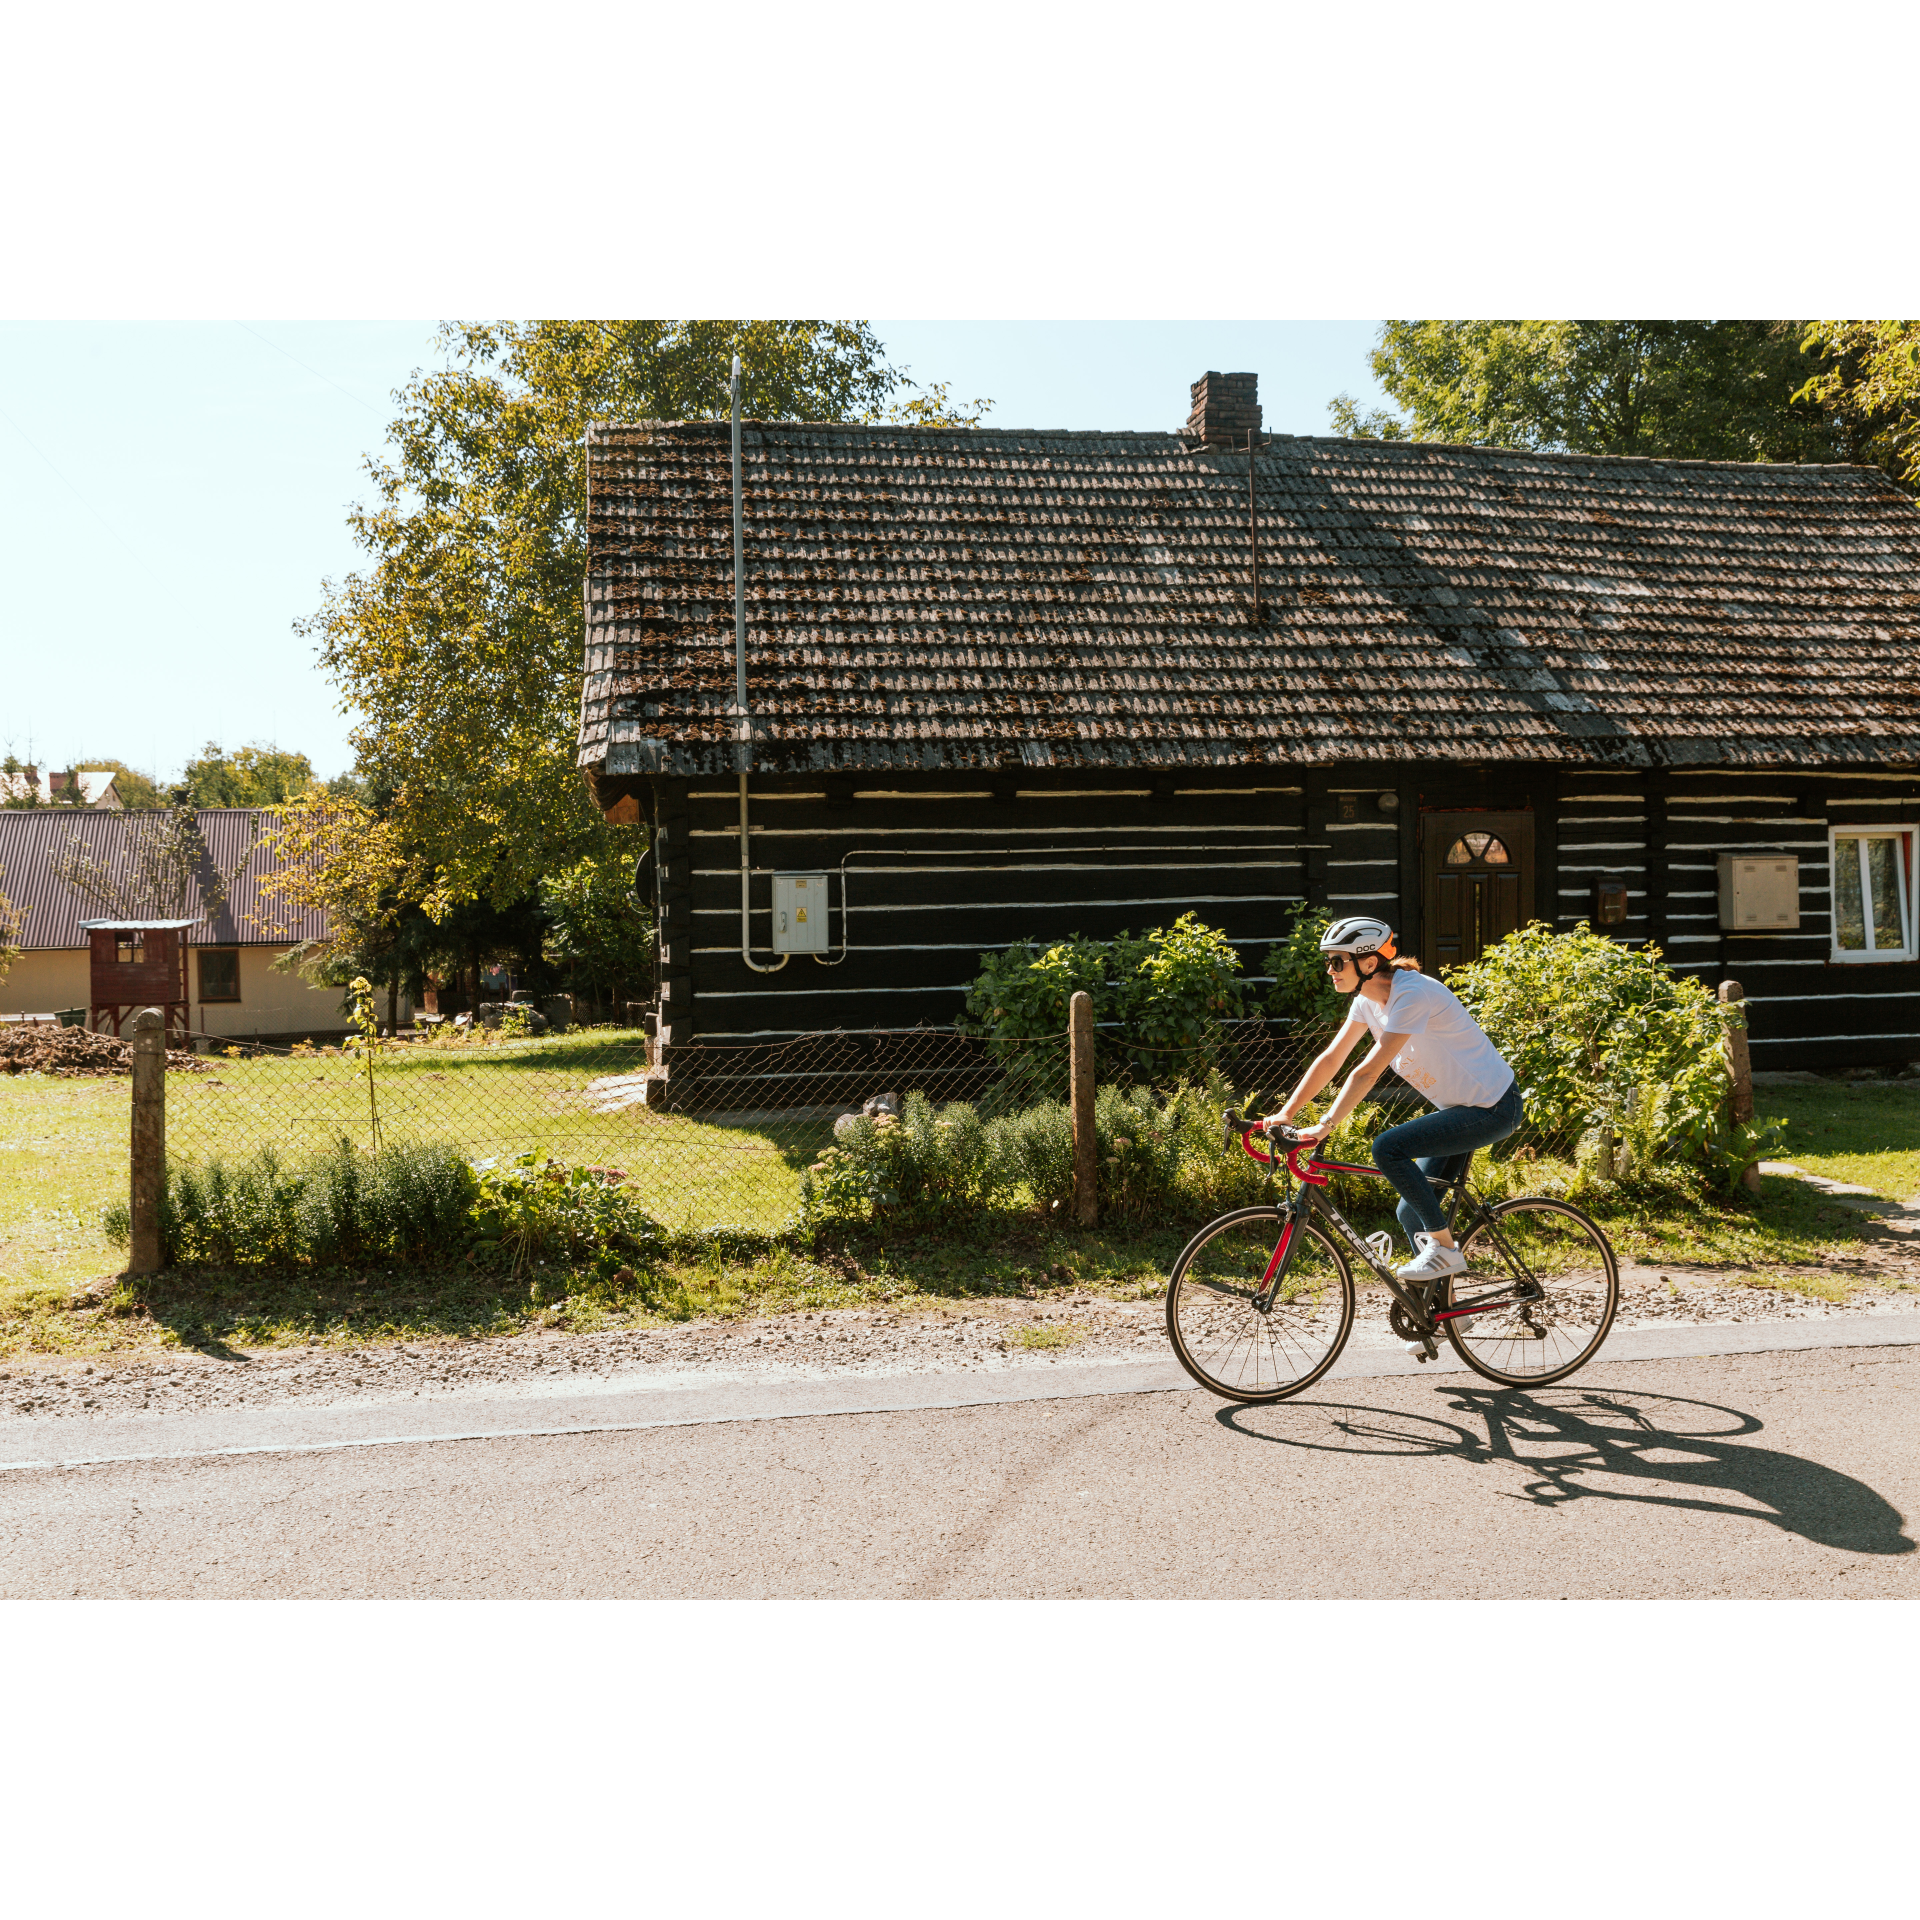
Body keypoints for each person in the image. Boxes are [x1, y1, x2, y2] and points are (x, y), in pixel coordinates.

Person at [1265, 916, 1521, 1281]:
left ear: (1368, 963)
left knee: (1388, 1147)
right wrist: (1285, 1113)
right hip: (1461, 1110)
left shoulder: (1412, 994)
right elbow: (1331, 1059)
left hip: (1495, 1108)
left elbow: (1367, 1071)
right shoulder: (1367, 1002)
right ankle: (1438, 1313)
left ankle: (1446, 1249)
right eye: (1328, 961)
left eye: (1338, 961)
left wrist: (1324, 1126)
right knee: (1410, 1213)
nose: (1330, 970)